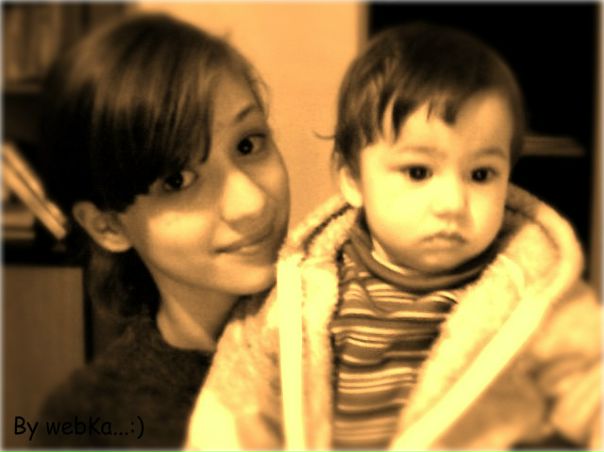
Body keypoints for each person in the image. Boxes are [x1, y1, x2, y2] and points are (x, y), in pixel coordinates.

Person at [186, 22, 601, 449]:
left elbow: (592, 385)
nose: (453, 203)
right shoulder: (298, 293)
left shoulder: (536, 294)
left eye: (481, 174)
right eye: (418, 172)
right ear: (353, 180)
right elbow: (233, 412)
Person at [32, 12, 290, 448]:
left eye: (248, 144)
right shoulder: (90, 421)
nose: (252, 204)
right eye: (177, 181)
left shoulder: (368, 322)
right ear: (108, 225)